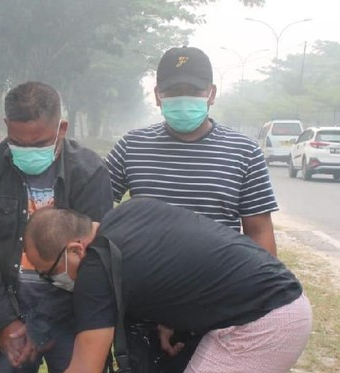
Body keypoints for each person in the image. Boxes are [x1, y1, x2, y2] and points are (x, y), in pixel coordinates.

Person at [23, 199, 312, 373]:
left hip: (263, 322)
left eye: (50, 273)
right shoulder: (132, 211)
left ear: (76, 250)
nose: (53, 281)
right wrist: (168, 318)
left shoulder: (96, 269)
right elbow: (175, 260)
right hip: (274, 297)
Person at [0, 81, 113, 373]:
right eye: (18, 143)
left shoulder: (89, 171)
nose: (28, 151)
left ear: (62, 128)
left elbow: (95, 261)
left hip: (72, 317)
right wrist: (4, 321)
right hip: (7, 316)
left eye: (40, 143)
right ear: (6, 126)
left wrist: (39, 324)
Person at [105, 46, 278, 254]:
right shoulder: (131, 146)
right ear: (158, 96)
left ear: (212, 94)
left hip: (220, 273)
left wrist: (268, 275)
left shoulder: (245, 152)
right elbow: (93, 205)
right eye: (173, 91)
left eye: (194, 91)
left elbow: (259, 230)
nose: (183, 98)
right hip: (145, 273)